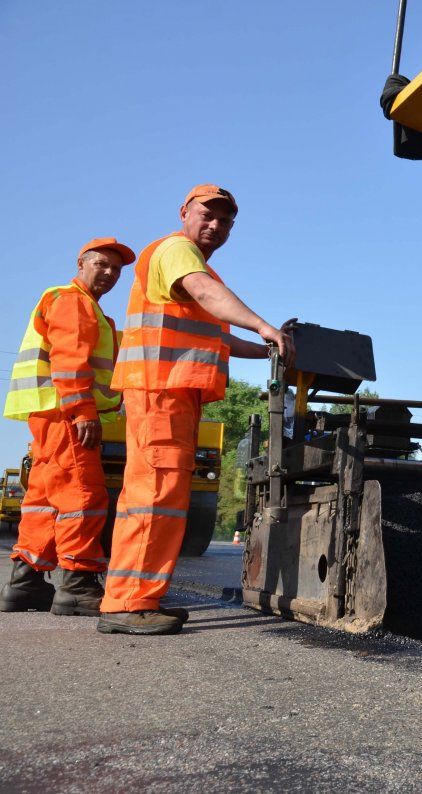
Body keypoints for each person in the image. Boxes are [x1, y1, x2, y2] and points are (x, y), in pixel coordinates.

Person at [98, 184, 294, 635]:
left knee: (159, 497)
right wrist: (263, 325)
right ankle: (128, 604)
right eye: (207, 215)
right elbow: (205, 293)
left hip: (171, 395)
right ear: (184, 212)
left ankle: (135, 598)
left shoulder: (195, 268)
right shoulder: (177, 252)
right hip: (160, 392)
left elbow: (218, 337)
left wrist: (268, 347)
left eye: (225, 221)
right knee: (155, 497)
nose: (215, 225)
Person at [1, 237, 134, 616]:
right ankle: (77, 584)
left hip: (50, 417)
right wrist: (83, 411)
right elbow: (69, 359)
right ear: (81, 264)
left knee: (44, 502)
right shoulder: (74, 301)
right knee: (83, 496)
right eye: (101, 264)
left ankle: (24, 583)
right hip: (66, 415)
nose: (109, 273)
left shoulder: (76, 302)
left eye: (116, 269)